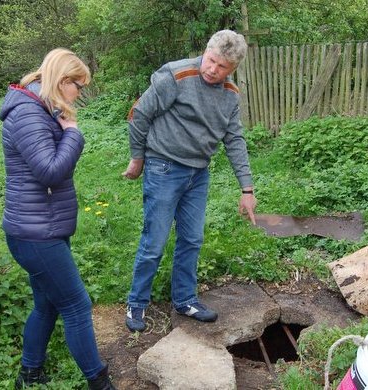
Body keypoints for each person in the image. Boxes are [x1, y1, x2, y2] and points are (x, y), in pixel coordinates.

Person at [122, 30, 257, 332]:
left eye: (222, 67)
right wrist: (137, 157)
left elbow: (234, 139)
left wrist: (247, 188)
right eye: (211, 61)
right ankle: (136, 302)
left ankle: (184, 300)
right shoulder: (176, 75)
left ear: (232, 69)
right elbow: (139, 114)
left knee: (192, 239)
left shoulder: (230, 95)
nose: (212, 69)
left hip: (198, 174)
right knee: (154, 241)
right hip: (163, 167)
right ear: (205, 51)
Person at [0, 48, 115, 390]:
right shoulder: (28, 114)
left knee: (48, 303)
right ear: (63, 81)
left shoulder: (38, 107)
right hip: (36, 235)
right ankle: (100, 383)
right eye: (79, 85)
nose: (80, 93)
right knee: (76, 305)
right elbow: (50, 172)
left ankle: (30, 373)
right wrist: (73, 133)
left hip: (41, 227)